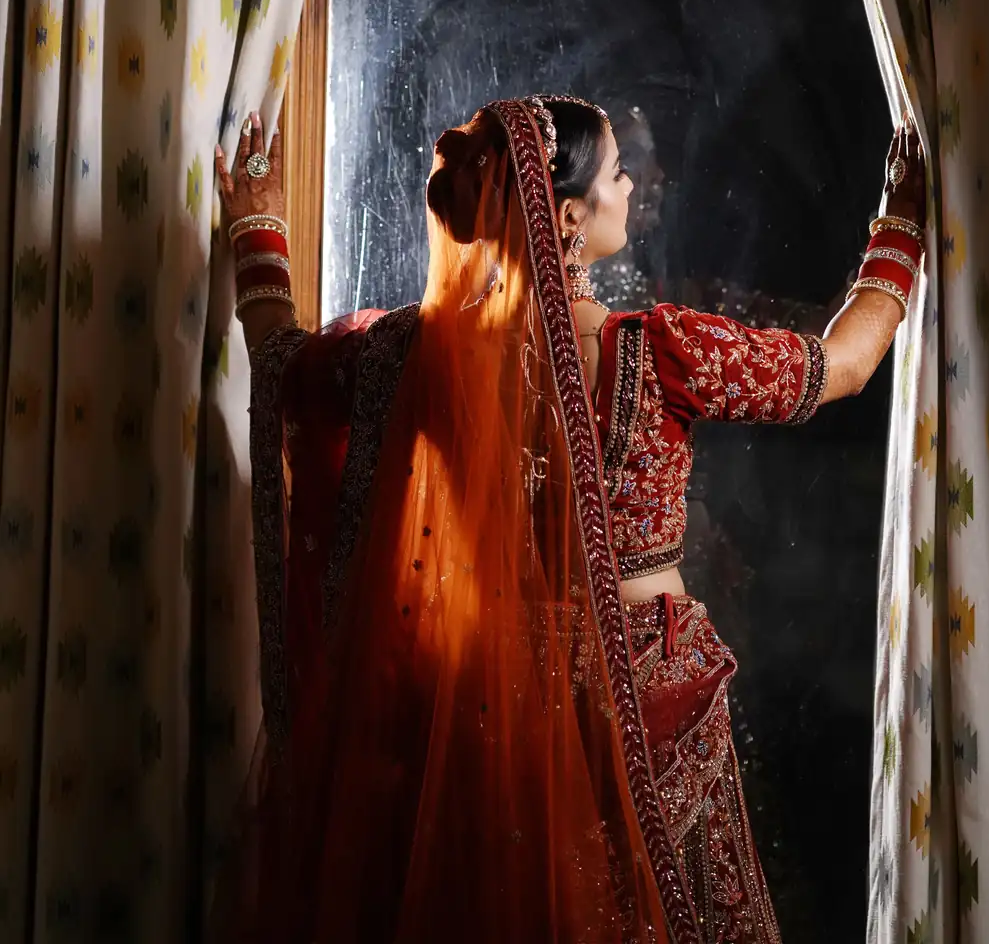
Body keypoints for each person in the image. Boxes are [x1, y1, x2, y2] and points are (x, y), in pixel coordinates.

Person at [213, 94, 926, 943]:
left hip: (503, 707)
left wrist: (257, 232)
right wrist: (900, 228)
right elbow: (842, 367)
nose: (632, 188)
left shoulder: (418, 361)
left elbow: (281, 362)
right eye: (618, 174)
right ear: (567, 218)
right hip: (648, 699)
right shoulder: (659, 352)